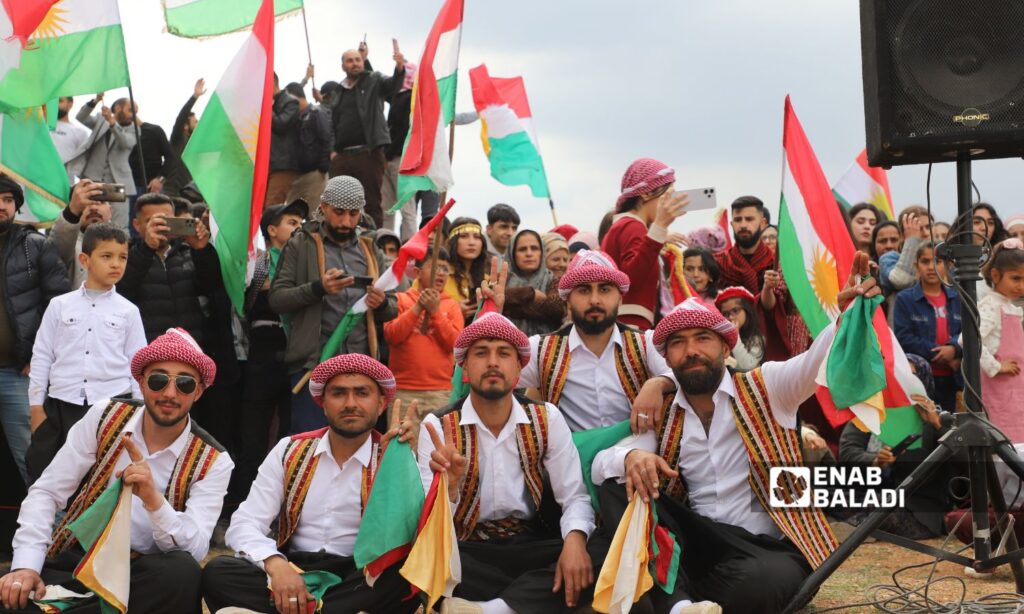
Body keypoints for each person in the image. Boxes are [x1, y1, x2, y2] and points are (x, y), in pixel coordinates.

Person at [591, 253, 881, 613]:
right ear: (666, 358)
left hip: (765, 547)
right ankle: (683, 604)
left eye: (703, 339)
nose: (692, 351)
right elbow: (601, 464)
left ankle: (674, 598)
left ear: (726, 348)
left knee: (759, 583)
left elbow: (813, 363)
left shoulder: (768, 387)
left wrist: (844, 317)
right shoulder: (665, 416)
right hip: (698, 541)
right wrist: (633, 456)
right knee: (618, 486)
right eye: (678, 343)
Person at [0, 328, 233, 613]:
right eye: (158, 380)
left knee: (181, 572)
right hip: (81, 562)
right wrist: (25, 566)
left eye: (184, 384)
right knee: (12, 596)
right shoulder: (105, 415)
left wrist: (154, 501)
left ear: (198, 392)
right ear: (142, 381)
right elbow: (47, 491)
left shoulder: (214, 460)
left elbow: (195, 548)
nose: (170, 393)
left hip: (146, 573)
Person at [418, 313, 607, 612]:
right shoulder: (438, 426)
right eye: (481, 353)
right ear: (464, 366)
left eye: (504, 354)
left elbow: (574, 496)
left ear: (519, 367)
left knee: (601, 551)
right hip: (468, 550)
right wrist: (450, 490)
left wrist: (573, 543)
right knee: (422, 564)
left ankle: (490, 609)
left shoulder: (546, 418)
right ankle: (527, 600)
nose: (493, 362)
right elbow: (429, 524)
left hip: (530, 544)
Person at [201, 354, 418, 614]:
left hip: (359, 576)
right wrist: (276, 565)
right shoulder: (289, 450)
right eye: (338, 393)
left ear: (381, 403)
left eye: (362, 393)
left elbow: (412, 534)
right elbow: (246, 523)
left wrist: (402, 465)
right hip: (294, 570)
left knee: (403, 578)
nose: (350, 403)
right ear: (323, 403)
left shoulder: (395, 456)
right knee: (219, 572)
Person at [269, 176, 397, 433]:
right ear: (324, 207)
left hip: (362, 365)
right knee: (310, 445)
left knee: (358, 445)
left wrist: (380, 303)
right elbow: (277, 299)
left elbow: (393, 307)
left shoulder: (370, 247)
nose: (346, 222)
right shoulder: (301, 243)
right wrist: (319, 288)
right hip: (313, 365)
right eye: (339, 213)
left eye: (353, 214)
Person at [25, 223, 146, 482]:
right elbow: (43, 355)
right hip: (62, 404)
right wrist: (36, 407)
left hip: (113, 405)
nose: (116, 264)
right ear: (85, 259)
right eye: (106, 256)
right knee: (52, 476)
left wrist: (138, 413)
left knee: (103, 480)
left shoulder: (128, 311)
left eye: (122, 257)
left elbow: (138, 366)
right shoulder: (60, 305)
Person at [516, 250, 672, 432]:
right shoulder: (542, 349)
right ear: (567, 301)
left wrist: (658, 383)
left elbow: (683, 372)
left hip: (638, 453)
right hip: (573, 456)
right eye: (584, 290)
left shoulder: (645, 343)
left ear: (620, 299)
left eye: (605, 289)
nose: (595, 300)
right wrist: (488, 312)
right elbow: (488, 375)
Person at [235, 199, 309, 502]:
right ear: (271, 229)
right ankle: (240, 505)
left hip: (296, 360)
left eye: (301, 223)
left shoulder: (308, 264)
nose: (299, 228)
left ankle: (284, 506)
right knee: (252, 440)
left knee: (289, 440)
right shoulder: (258, 262)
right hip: (262, 360)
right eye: (291, 222)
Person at [0, 176, 70, 484]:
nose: (1, 206)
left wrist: (38, 360)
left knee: (33, 460)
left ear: (16, 205)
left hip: (18, 374)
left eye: (7, 199)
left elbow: (59, 308)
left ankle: (51, 531)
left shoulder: (35, 246)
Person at [118, 193, 220, 344]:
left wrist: (201, 250)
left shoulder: (188, 253)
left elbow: (211, 288)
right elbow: (122, 291)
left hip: (191, 347)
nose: (161, 227)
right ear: (136, 225)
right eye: (152, 221)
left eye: (166, 221)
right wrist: (147, 248)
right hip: (147, 349)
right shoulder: (125, 255)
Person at [601, 158, 687, 330]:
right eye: (667, 195)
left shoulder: (629, 226)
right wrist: (659, 228)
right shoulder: (631, 226)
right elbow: (631, 278)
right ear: (646, 193)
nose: (670, 203)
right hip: (629, 323)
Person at [329, 41, 406, 229]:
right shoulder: (338, 90)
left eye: (357, 59)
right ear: (342, 66)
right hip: (342, 156)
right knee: (337, 202)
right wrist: (332, 151)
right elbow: (332, 121)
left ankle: (373, 243)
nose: (354, 63)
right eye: (350, 61)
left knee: (370, 202)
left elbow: (392, 86)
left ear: (363, 61)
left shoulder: (374, 80)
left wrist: (399, 67)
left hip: (368, 153)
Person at [384, 248, 463, 419]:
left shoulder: (452, 305)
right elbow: (392, 335)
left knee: (437, 443)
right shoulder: (400, 300)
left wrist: (435, 312)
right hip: (403, 390)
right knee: (402, 444)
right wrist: (417, 308)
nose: (441, 273)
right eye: (435, 267)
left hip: (441, 391)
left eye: (445, 269)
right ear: (417, 272)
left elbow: (456, 345)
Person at [893, 242, 963, 413]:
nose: (931, 267)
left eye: (938, 261)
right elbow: (903, 338)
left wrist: (954, 348)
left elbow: (969, 331)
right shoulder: (905, 299)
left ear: (948, 265)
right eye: (925, 261)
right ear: (916, 265)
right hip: (920, 378)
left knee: (951, 428)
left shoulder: (960, 297)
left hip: (954, 377)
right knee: (925, 430)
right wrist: (942, 353)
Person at [67, 94, 138, 229]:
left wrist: (112, 124)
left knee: (119, 223)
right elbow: (81, 117)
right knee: (89, 218)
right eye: (131, 110)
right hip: (93, 178)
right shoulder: (101, 119)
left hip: (118, 182)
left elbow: (125, 143)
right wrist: (95, 101)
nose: (133, 115)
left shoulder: (135, 129)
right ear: (118, 108)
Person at [979, 239, 1024, 443]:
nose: (1021, 286)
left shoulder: (1012, 308)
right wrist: (996, 366)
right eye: (1015, 278)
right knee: (1004, 445)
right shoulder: (990, 306)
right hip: (998, 390)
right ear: (995, 275)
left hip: (1016, 390)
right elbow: (969, 341)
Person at [47, 180, 113, 288]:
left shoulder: (124, 243)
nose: (93, 207)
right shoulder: (68, 244)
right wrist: (71, 213)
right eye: (87, 202)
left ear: (110, 211)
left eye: (100, 201)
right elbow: (55, 253)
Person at [503, 229, 563, 336]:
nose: (529, 254)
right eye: (522, 249)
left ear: (542, 252)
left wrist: (509, 307)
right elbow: (490, 298)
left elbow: (555, 308)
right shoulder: (501, 279)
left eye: (534, 248)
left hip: (546, 347)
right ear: (512, 253)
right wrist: (529, 293)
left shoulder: (553, 279)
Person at [283, 82, 332, 210]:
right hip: (298, 174)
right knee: (290, 213)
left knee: (315, 216)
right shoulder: (295, 118)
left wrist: (322, 168)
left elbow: (326, 138)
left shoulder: (316, 112)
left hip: (315, 174)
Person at [715, 196, 776, 296]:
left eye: (749, 219)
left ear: (763, 223)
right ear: (732, 224)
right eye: (738, 220)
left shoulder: (776, 264)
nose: (743, 225)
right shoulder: (719, 264)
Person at [163, 79, 206, 198]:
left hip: (190, 194)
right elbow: (181, 118)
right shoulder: (178, 139)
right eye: (195, 122)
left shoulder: (196, 144)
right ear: (185, 126)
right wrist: (194, 97)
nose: (198, 124)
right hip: (171, 193)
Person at [445, 217, 492, 323]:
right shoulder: (437, 276)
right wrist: (454, 311)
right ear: (453, 242)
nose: (471, 242)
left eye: (477, 237)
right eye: (464, 236)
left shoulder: (487, 280)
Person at [266, 73, 301, 207]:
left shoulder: (290, 102)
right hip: (266, 164)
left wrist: (268, 107)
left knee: (271, 207)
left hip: (282, 165)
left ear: (272, 82)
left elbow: (281, 125)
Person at [879, 208, 931, 295]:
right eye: (919, 229)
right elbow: (900, 280)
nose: (926, 233)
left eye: (928, 227)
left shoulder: (940, 260)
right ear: (903, 235)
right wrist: (912, 240)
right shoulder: (889, 258)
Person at [714, 286, 765, 372]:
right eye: (726, 314)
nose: (730, 317)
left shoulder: (756, 338)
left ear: (747, 311)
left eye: (736, 311)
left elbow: (747, 366)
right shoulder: (721, 338)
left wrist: (735, 336)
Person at [128, 107, 173, 195]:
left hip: (151, 187)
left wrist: (160, 179)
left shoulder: (154, 130)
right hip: (128, 187)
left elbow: (170, 157)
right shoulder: (121, 135)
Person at [48, 97, 90, 170]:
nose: (55, 104)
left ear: (70, 104)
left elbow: (83, 161)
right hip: (35, 178)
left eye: (60, 101)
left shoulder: (80, 132)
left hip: (64, 179)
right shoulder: (39, 126)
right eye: (53, 101)